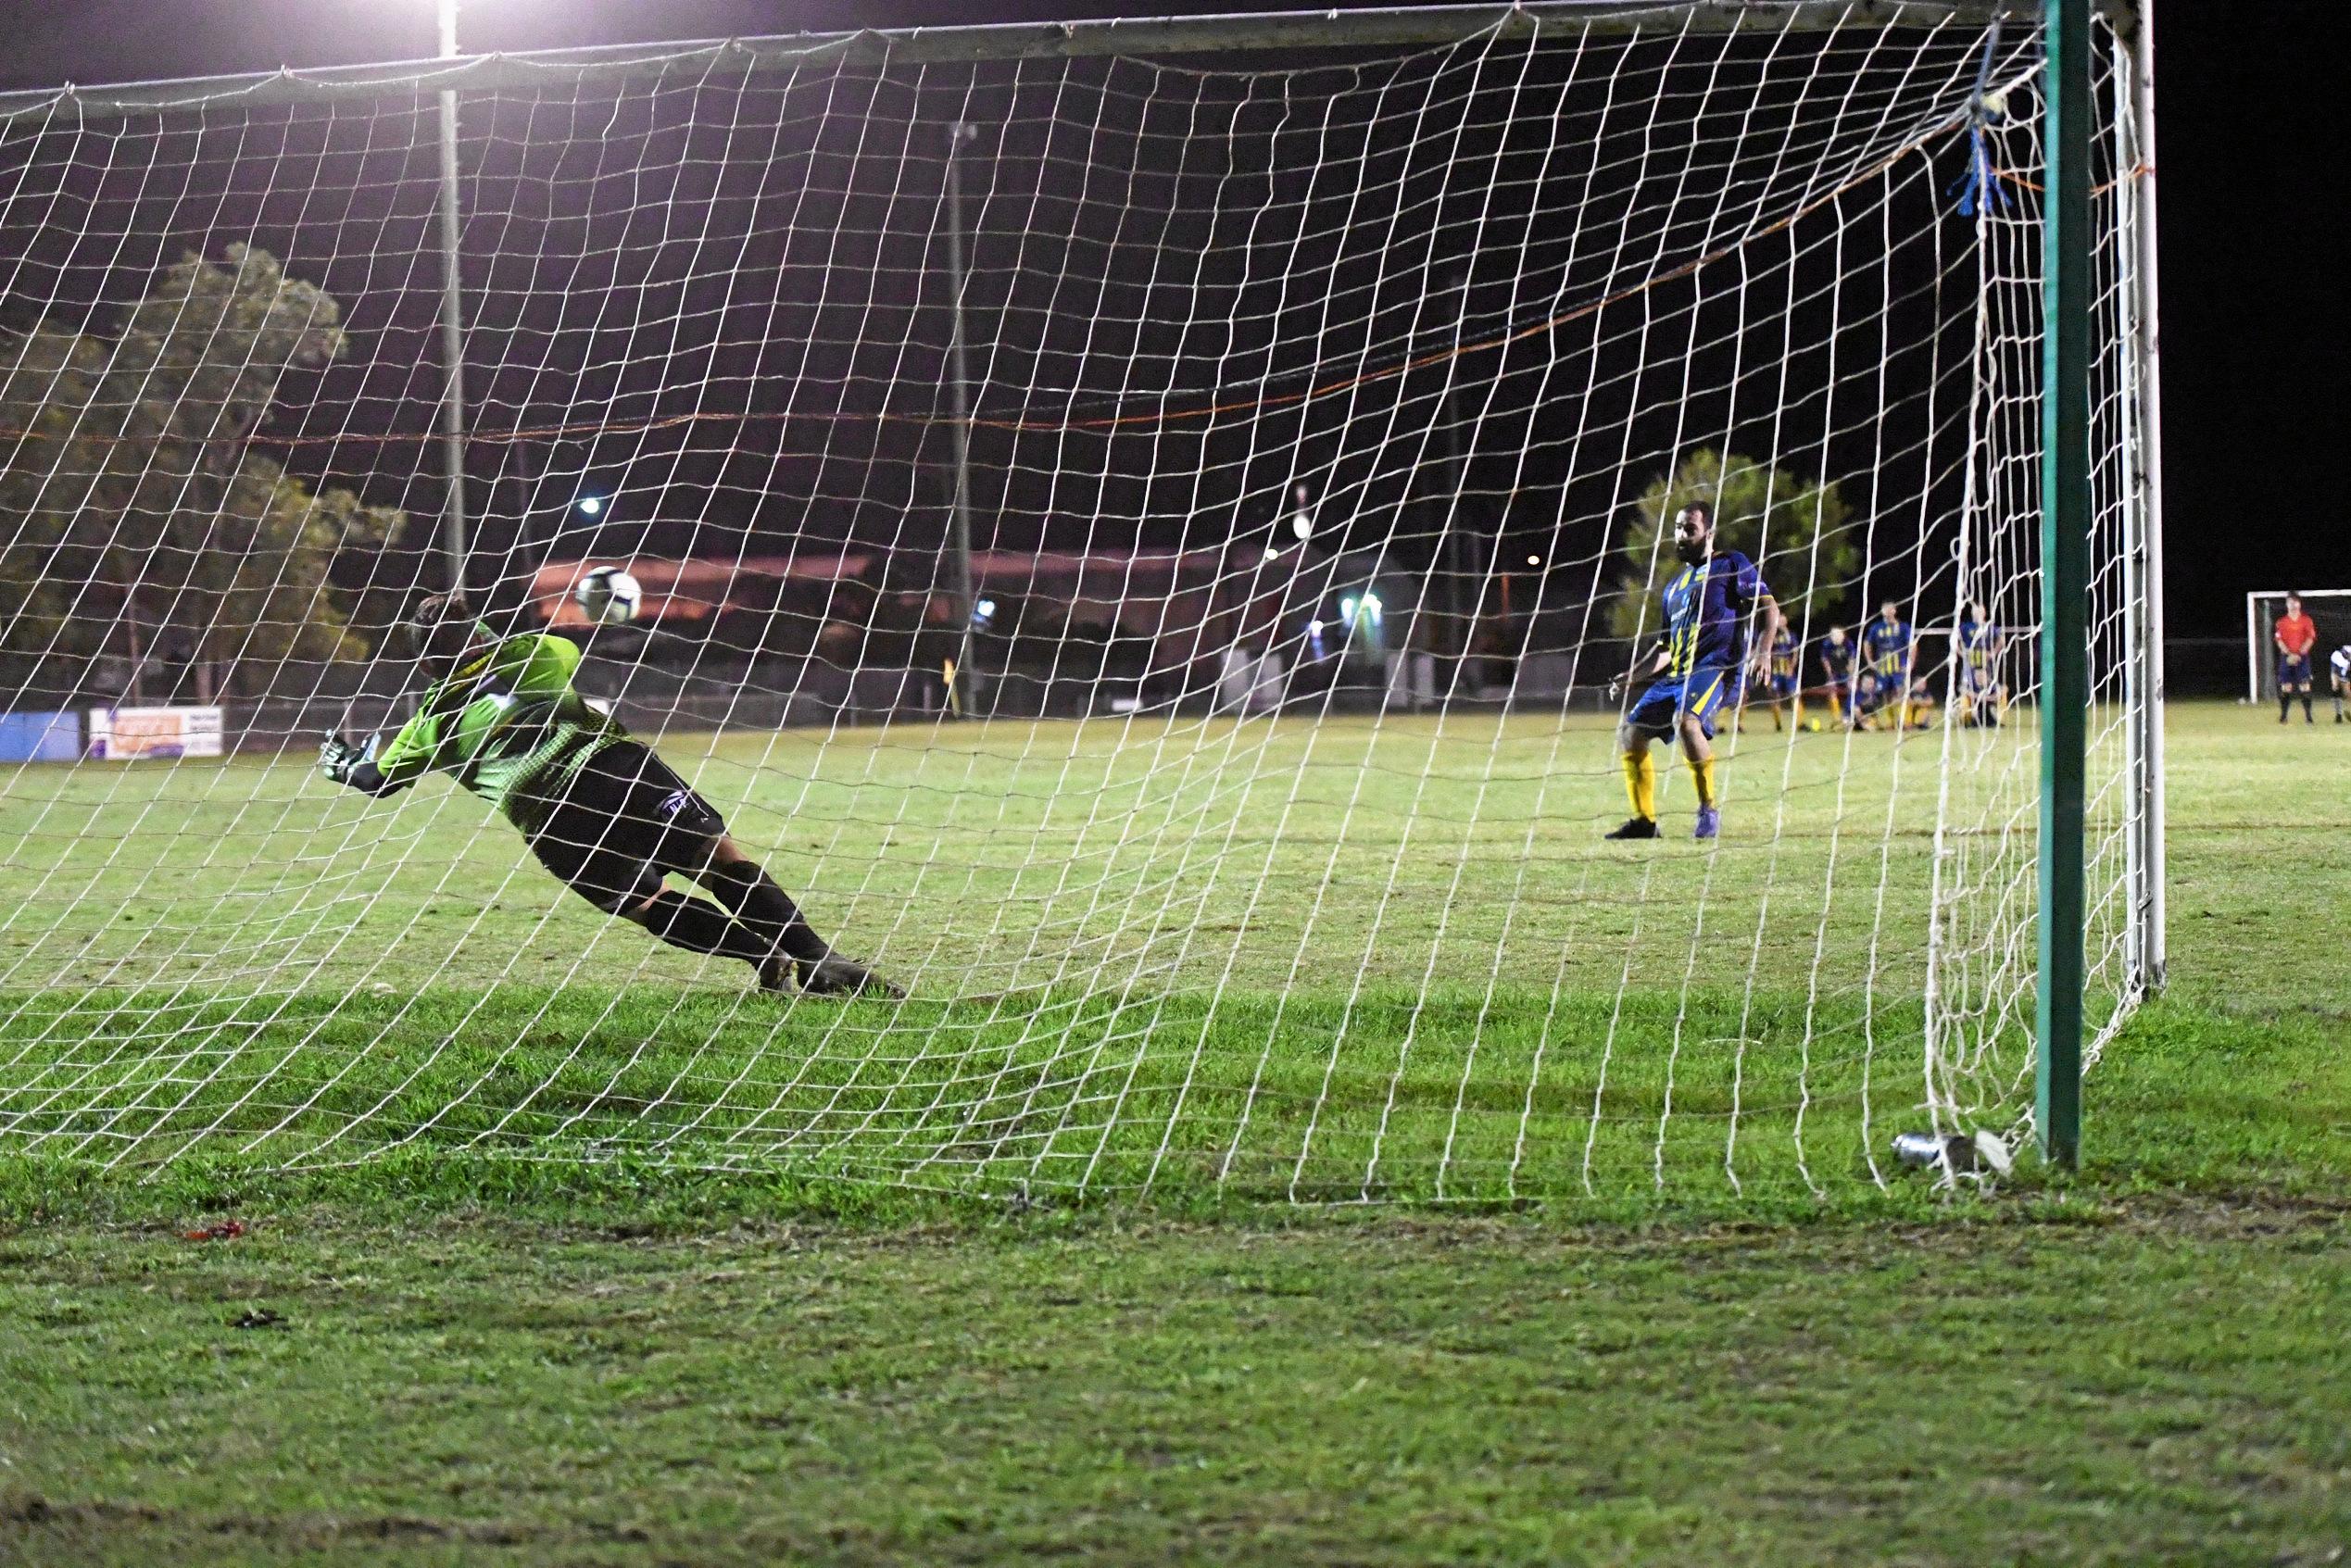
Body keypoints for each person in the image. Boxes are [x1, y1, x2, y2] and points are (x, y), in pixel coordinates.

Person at [319, 593, 899, 998]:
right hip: (615, 768)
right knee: (718, 859)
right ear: (480, 634)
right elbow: (515, 647)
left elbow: (379, 782)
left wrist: (346, 763)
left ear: (425, 663)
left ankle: (760, 955)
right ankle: (820, 960)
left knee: (642, 902)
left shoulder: (430, 720)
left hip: (549, 816)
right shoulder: (536, 655)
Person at [1605, 502, 1782, 841]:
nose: (1681, 535)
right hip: (1678, 676)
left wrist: (1764, 651)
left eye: (1690, 529)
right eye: (1678, 528)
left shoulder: (1730, 564)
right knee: (1631, 732)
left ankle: (1708, 809)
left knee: (1687, 722)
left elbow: (1769, 607)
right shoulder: (1674, 587)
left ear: (1709, 533)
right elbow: (1664, 650)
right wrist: (1633, 675)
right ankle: (1645, 822)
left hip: (1717, 668)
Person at [1856, 599, 1914, 731]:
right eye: (1885, 609)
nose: (1887, 612)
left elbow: (1913, 645)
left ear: (1894, 610)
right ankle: (1891, 722)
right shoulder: (1876, 627)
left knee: (1901, 691)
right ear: (1882, 611)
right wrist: (1870, 661)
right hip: (1883, 668)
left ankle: (1905, 721)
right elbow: (1867, 644)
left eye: (1890, 609)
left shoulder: (1903, 627)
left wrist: (1910, 662)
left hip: (1899, 666)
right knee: (1885, 696)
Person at [1954, 601, 2005, 727]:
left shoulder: (1988, 627)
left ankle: (1994, 718)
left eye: (1980, 612)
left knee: (1989, 687)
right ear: (1972, 613)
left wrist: (1993, 653)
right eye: (1976, 612)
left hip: (1985, 665)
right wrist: (1960, 652)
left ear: (1985, 613)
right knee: (1965, 689)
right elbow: (1954, 639)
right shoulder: (1966, 627)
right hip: (1970, 664)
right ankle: (1966, 718)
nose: (1978, 614)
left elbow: (2002, 639)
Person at [2274, 593, 2319, 724]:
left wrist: (2299, 654)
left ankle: (2308, 717)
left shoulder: (2306, 620)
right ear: (2286, 604)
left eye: (2295, 602)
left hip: (2302, 657)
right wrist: (2288, 654)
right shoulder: (2281, 622)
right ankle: (2283, 716)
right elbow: (2279, 640)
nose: (2293, 605)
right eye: (2290, 602)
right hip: (2286, 657)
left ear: (2299, 603)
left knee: (2305, 685)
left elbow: (2310, 638)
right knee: (2286, 687)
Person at [1816, 624, 1854, 726]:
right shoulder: (1827, 644)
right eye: (1833, 635)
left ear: (1843, 634)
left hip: (1845, 672)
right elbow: (1825, 659)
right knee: (1831, 691)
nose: (1836, 637)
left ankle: (1847, 715)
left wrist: (1851, 675)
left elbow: (1851, 660)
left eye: (1838, 635)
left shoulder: (1848, 643)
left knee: (1852, 689)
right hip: (1834, 672)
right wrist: (1830, 674)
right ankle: (1837, 719)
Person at [2331, 643, 2351, 723]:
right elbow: (2335, 672)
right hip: (2340, 673)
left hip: (2345, 673)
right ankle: (2338, 714)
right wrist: (2334, 683)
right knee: (2336, 690)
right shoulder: (2337, 657)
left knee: (2347, 692)